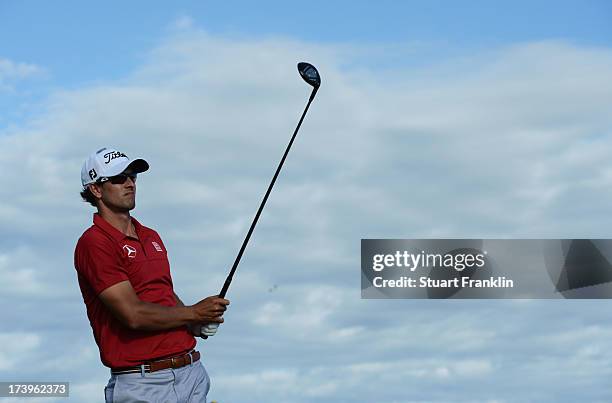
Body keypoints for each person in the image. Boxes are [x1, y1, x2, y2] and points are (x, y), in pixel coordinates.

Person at [74, 147, 229, 403]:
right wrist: (193, 312)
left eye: (132, 176)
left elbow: (163, 294)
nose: (129, 183)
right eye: (118, 178)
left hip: (192, 374)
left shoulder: (151, 235)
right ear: (96, 189)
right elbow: (132, 314)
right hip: (142, 382)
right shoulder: (94, 243)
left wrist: (195, 323)